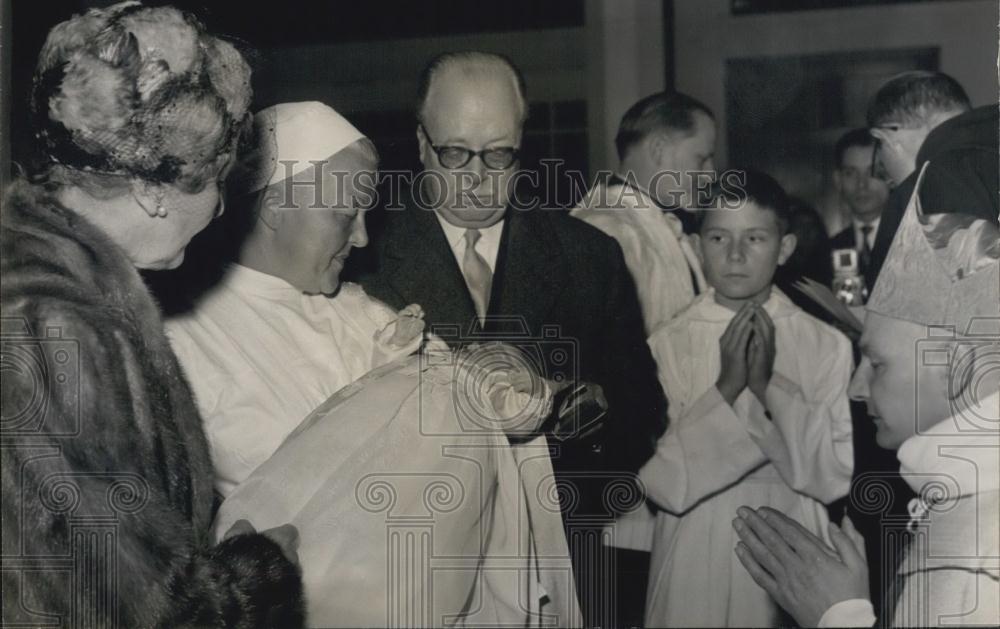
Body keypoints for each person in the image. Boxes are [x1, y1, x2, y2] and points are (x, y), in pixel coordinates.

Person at [167, 101, 582, 627]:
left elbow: (475, 415)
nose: (363, 237)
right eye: (346, 214)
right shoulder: (184, 338)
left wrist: (518, 392)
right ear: (276, 208)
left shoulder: (364, 313)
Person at [0, 3, 303, 627]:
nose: (221, 210)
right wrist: (263, 571)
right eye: (215, 182)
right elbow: (135, 610)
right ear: (151, 189)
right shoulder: (55, 328)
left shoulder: (44, 281)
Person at [349, 51, 667, 627]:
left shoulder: (588, 256)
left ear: (523, 145)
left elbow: (643, 410)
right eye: (454, 153)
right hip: (408, 573)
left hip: (555, 568)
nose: (476, 177)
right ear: (421, 143)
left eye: (499, 154)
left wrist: (580, 421)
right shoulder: (360, 258)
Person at [732, 164, 1000, 627]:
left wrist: (842, 615)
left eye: (877, 364)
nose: (857, 389)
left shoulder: (981, 545)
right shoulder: (962, 490)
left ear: (955, 367)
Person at [641, 172, 854, 627]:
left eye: (755, 238)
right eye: (719, 238)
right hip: (694, 544)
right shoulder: (666, 344)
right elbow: (659, 480)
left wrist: (766, 388)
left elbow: (834, 474)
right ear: (697, 246)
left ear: (785, 248)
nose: (735, 255)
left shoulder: (825, 344)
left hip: (793, 540)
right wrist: (726, 389)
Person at [572, 91, 714, 335]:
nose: (710, 175)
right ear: (658, 149)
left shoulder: (660, 223)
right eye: (701, 159)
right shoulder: (606, 230)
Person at [866, 71, 999, 289]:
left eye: (879, 149)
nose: (885, 173)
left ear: (887, 136)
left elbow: (893, 304)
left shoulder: (923, 191)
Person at [829, 128, 890, 285]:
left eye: (872, 172)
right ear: (838, 180)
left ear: (890, 175)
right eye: (850, 173)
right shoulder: (824, 252)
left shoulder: (913, 242)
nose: (862, 184)